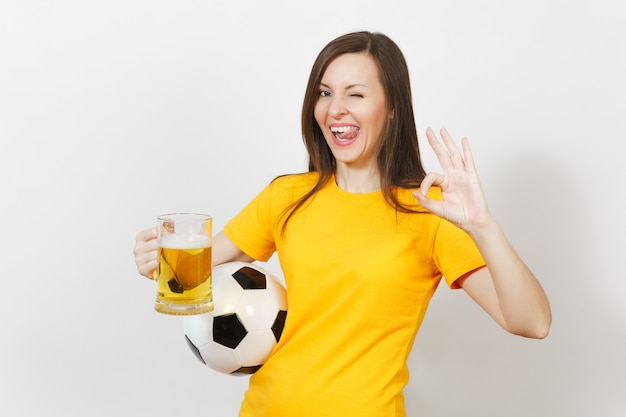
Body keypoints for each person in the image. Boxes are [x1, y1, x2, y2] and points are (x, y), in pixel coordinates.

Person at [133, 31, 551, 417]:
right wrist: (156, 261)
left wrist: (484, 226)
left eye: (356, 94)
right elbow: (188, 278)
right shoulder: (287, 197)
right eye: (325, 93)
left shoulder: (429, 210)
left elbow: (532, 323)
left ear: (391, 109)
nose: (336, 109)